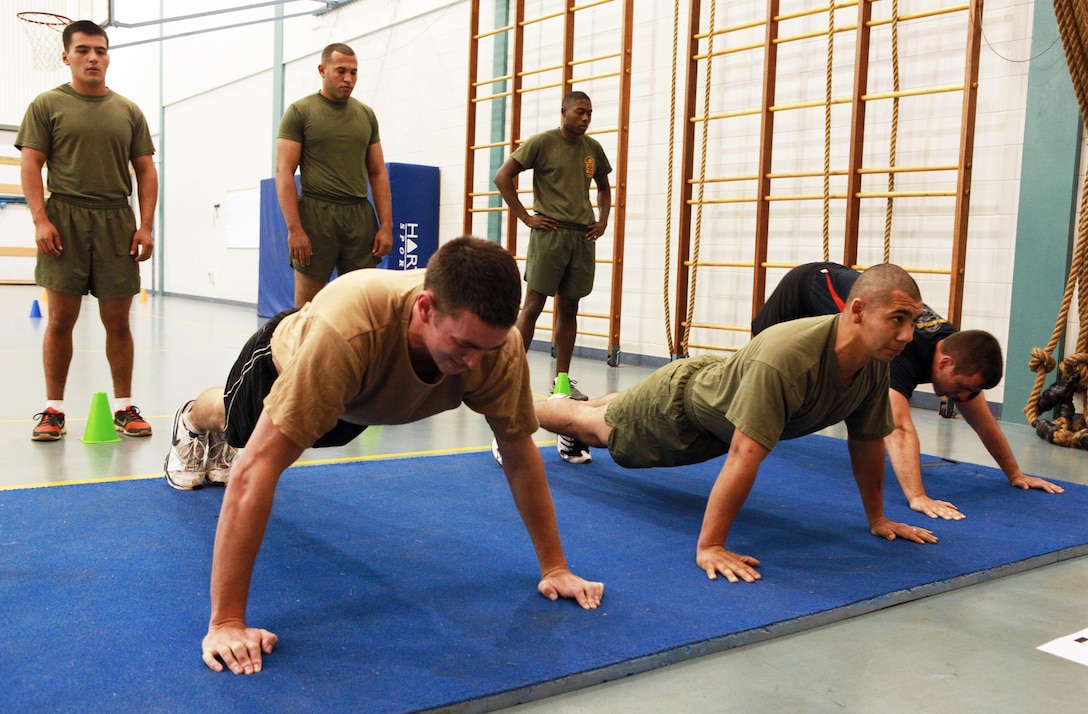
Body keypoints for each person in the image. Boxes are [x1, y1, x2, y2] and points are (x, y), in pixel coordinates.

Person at [163, 236, 604, 675]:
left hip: (359, 400)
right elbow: (254, 471)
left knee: (323, 430)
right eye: (464, 345)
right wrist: (227, 622)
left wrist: (556, 568)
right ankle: (192, 420)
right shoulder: (345, 336)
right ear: (426, 309)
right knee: (234, 423)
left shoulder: (495, 349)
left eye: (486, 348)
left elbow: (520, 455)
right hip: (284, 363)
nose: (475, 363)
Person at [534, 263, 941, 585]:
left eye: (912, 322)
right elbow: (745, 453)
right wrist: (711, 545)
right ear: (857, 310)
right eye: (897, 319)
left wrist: (878, 519)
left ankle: (607, 404)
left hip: (716, 389)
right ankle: (521, 413)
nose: (907, 335)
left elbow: (867, 443)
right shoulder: (789, 358)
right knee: (590, 425)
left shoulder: (872, 363)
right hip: (678, 413)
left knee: (614, 408)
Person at [751, 262, 1063, 519]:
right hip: (808, 286)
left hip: (852, 288)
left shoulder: (956, 349)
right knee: (758, 362)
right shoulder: (900, 352)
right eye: (965, 389)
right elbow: (897, 428)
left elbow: (984, 421)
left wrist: (1015, 474)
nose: (965, 398)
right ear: (945, 364)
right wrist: (918, 496)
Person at [16, 20, 158, 442]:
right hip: (65, 219)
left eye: (100, 50)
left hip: (117, 220)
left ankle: (124, 407)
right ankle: (53, 410)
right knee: (60, 320)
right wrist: (41, 219)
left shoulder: (129, 110)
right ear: (66, 57)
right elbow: (30, 164)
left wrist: (145, 226)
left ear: (108, 56)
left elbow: (146, 171)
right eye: (82, 50)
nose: (92, 57)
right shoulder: (46, 105)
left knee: (118, 322)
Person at [493, 90, 612, 403]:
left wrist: (603, 220)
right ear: (564, 112)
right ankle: (509, 375)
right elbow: (503, 177)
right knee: (533, 306)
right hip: (550, 234)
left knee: (570, 308)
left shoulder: (593, 149)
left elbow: (603, 188)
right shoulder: (542, 143)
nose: (585, 118)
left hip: (582, 237)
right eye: (580, 112)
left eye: (589, 113)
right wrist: (526, 218)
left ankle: (561, 382)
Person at [276, 42, 393, 307]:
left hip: (359, 216)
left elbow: (377, 173)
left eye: (354, 72)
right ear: (322, 70)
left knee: (360, 304)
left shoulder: (366, 115)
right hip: (316, 216)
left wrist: (386, 225)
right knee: (307, 308)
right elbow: (283, 172)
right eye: (341, 71)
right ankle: (303, 349)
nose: (348, 79)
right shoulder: (300, 112)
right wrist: (295, 229)